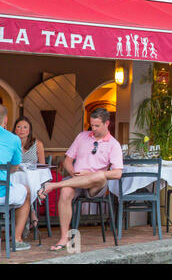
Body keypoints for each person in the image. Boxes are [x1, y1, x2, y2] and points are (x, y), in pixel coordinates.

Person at [37, 108, 123, 251]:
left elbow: (117, 173)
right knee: (65, 191)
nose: (93, 128)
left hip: (96, 186)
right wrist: (74, 173)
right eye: (92, 125)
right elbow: (67, 161)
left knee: (100, 175)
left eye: (97, 125)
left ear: (107, 123)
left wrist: (90, 175)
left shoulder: (114, 144)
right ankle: (64, 237)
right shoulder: (82, 136)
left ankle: (53, 185)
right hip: (76, 181)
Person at [0, 105, 32, 251]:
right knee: (26, 191)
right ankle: (17, 239)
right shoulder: (13, 139)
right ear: (6, 119)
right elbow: (14, 167)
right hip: (1, 194)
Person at [13, 116, 46, 237]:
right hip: (15, 177)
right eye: (19, 127)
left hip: (33, 179)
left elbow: (43, 166)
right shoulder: (11, 143)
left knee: (27, 187)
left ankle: (27, 218)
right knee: (20, 187)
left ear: (29, 130)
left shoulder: (37, 144)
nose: (21, 130)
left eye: (25, 127)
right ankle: (32, 213)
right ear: (14, 129)